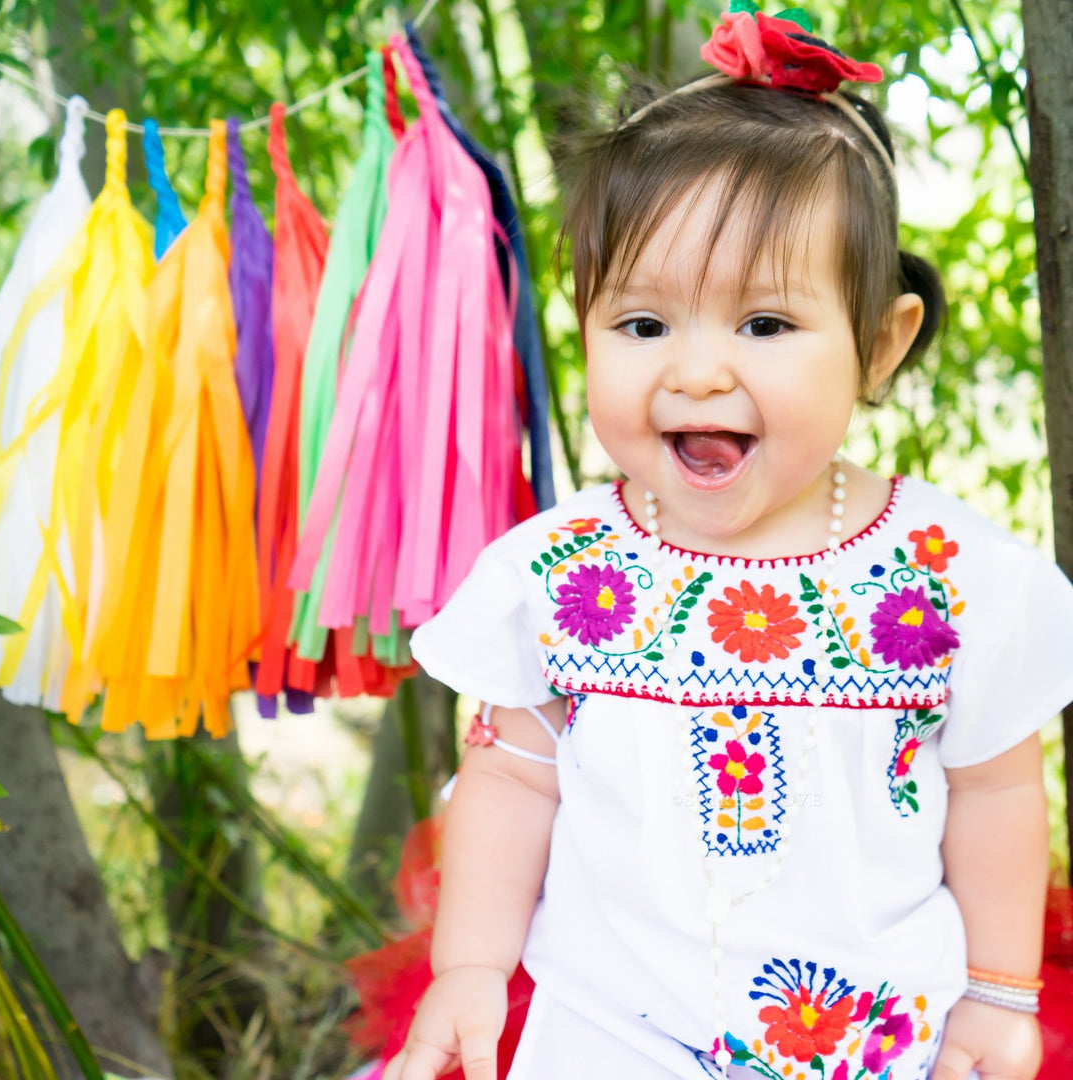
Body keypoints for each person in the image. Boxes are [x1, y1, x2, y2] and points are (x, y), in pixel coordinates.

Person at [382, 6, 1073, 1079]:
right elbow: (513, 780)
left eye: (763, 326)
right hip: (605, 1042)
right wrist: (471, 965)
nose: (696, 372)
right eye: (644, 324)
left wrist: (998, 991)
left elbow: (992, 789)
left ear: (878, 344)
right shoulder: (565, 571)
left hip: (876, 1045)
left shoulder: (946, 576)